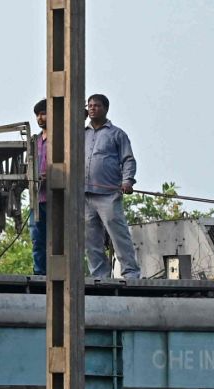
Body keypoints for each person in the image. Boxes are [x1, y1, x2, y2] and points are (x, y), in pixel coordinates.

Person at [84, 93, 140, 281]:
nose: (92, 108)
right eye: (90, 105)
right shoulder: (80, 134)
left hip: (109, 194)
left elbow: (128, 160)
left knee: (118, 235)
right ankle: (99, 276)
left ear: (106, 109)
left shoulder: (117, 134)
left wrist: (128, 181)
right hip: (85, 195)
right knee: (90, 239)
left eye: (97, 105)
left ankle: (130, 273)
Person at [31, 99, 49, 276]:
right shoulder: (34, 141)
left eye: (43, 113)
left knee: (58, 239)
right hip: (37, 198)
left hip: (57, 197)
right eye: (37, 115)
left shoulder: (62, 139)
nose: (40, 118)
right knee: (37, 239)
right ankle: (39, 274)